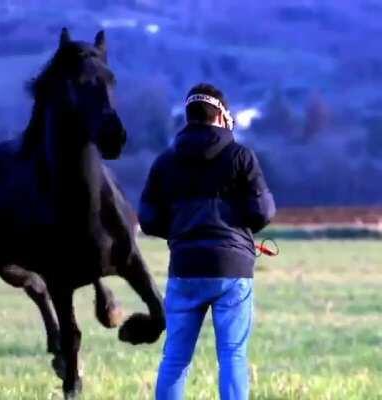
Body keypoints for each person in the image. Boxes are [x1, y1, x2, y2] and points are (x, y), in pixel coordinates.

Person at [138, 83, 276, 400]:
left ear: (188, 117)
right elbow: (263, 212)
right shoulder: (241, 156)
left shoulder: (165, 162)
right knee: (232, 356)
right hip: (233, 269)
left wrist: (179, 232)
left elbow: (148, 219)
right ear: (222, 117)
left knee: (175, 359)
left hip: (185, 268)